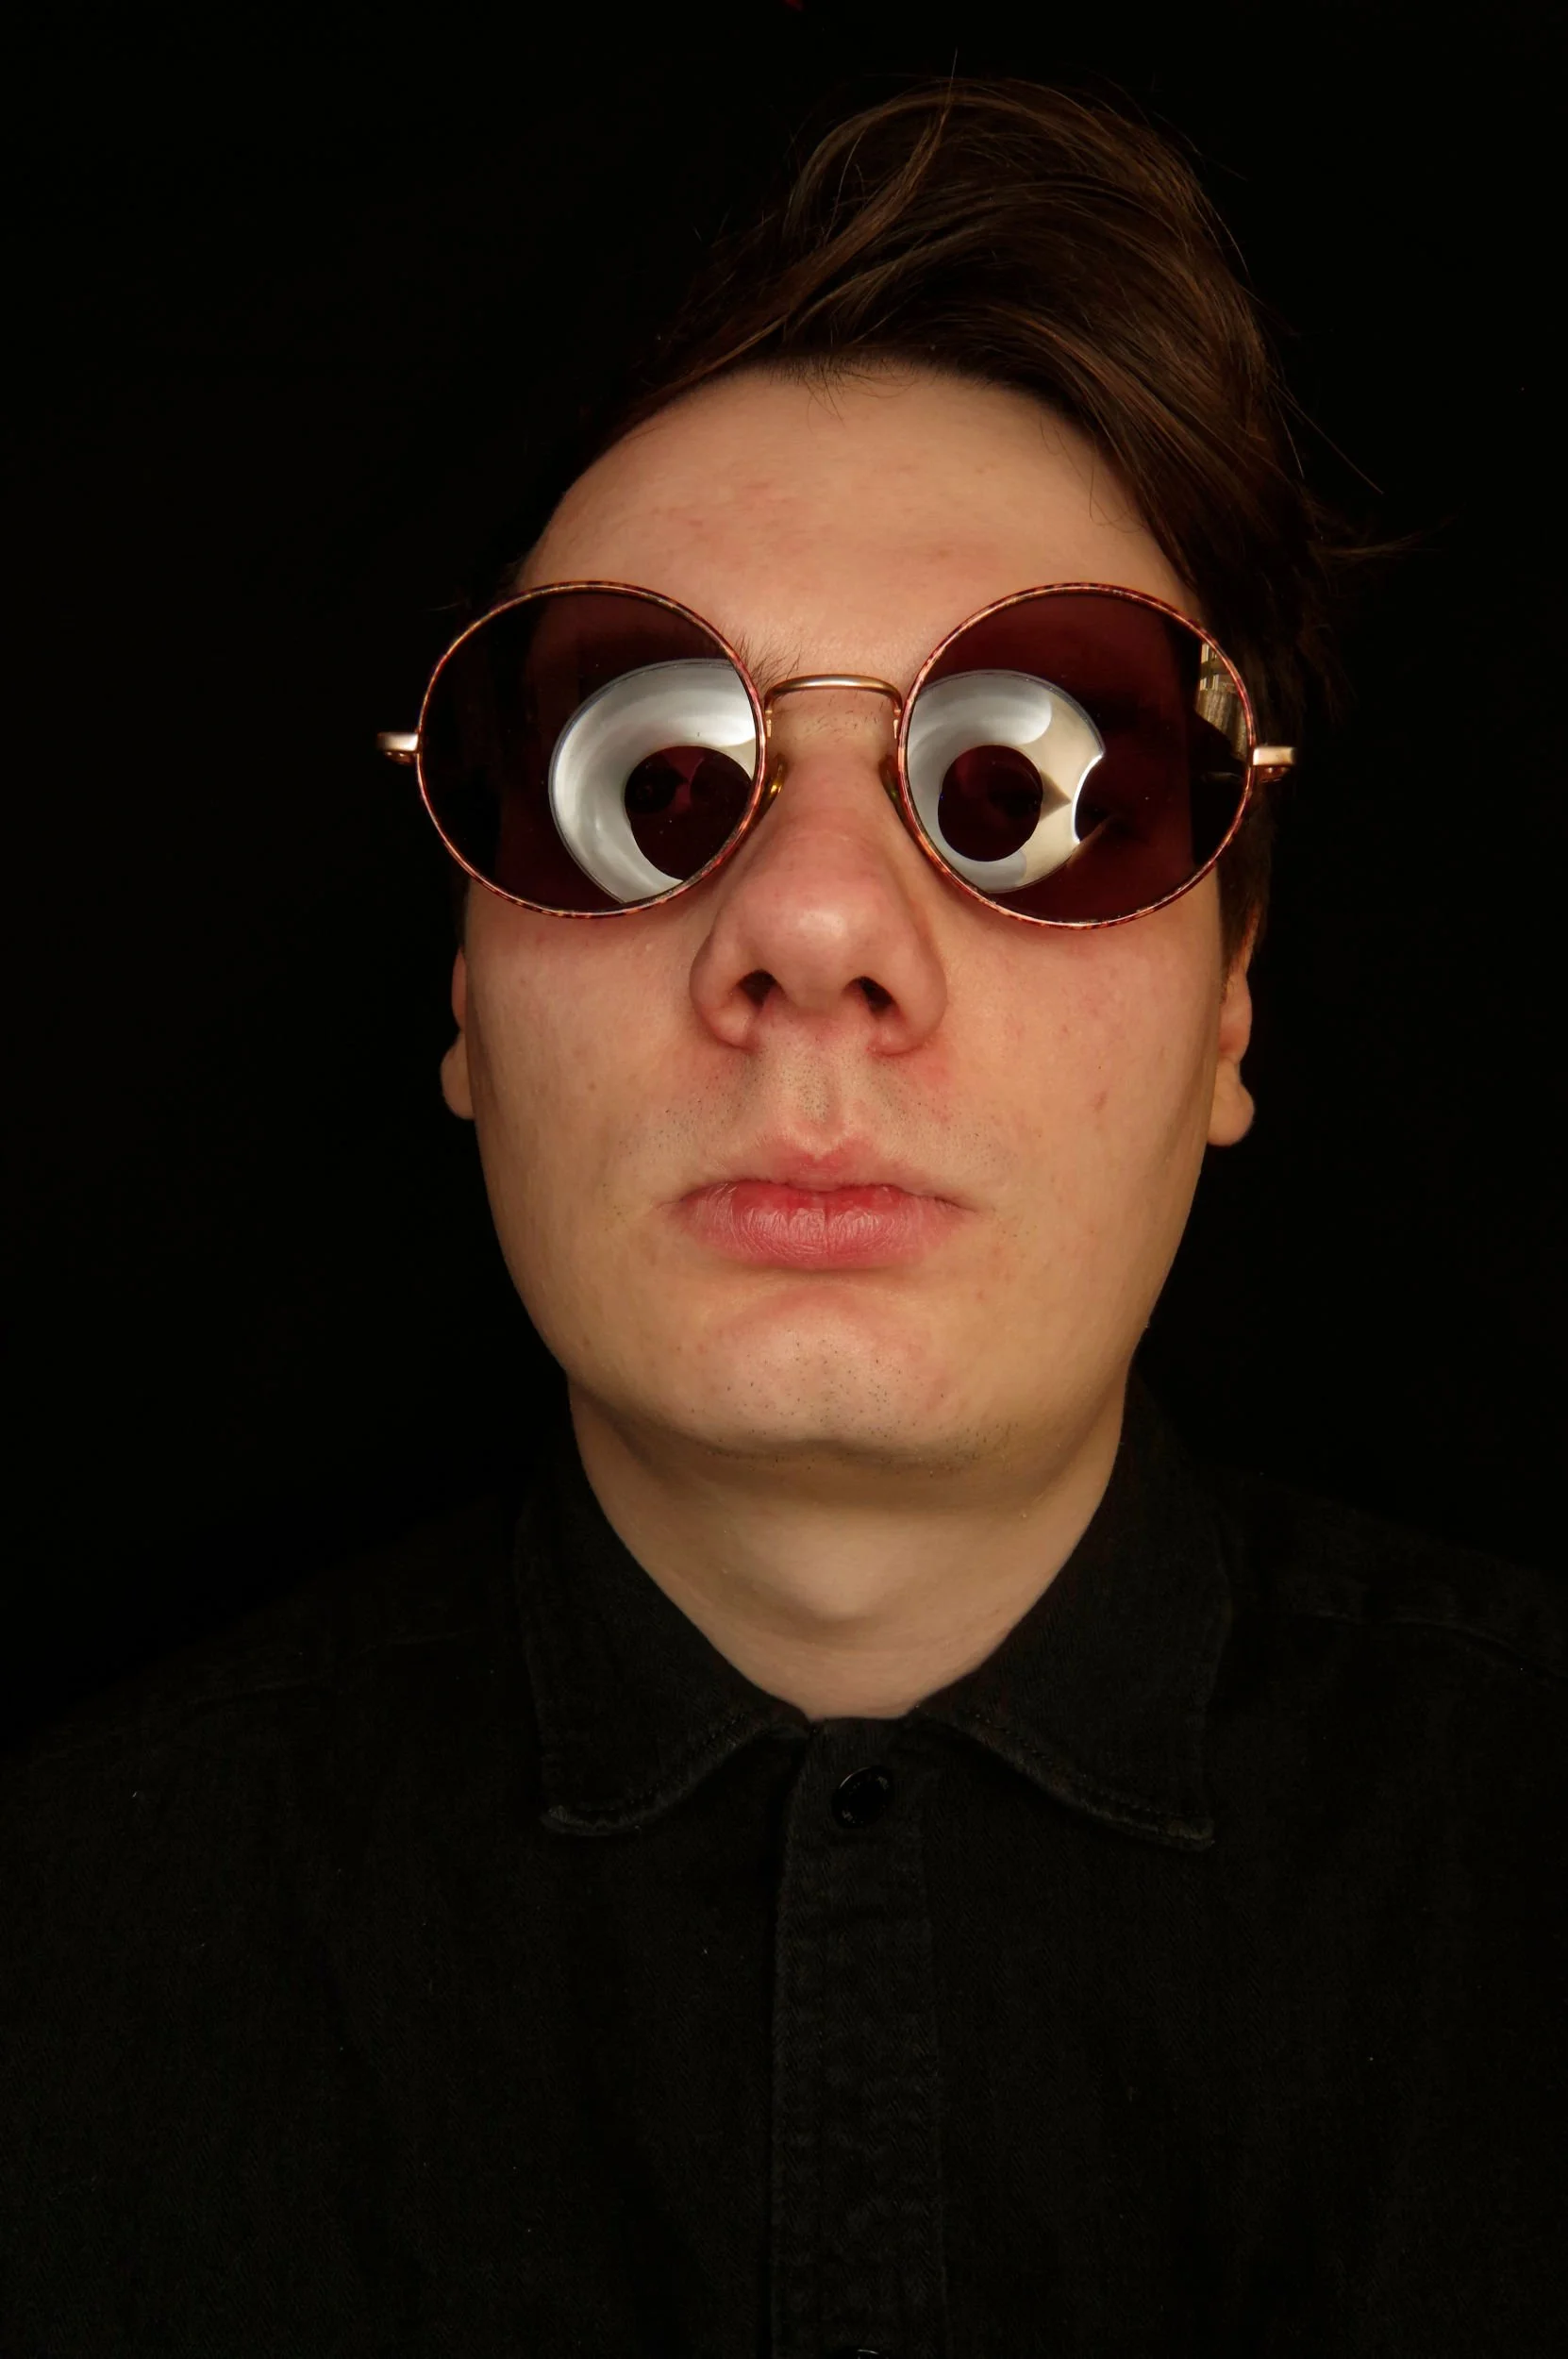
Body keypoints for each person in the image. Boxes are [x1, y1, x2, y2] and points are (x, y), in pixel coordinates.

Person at [3, 78, 1560, 2358]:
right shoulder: (62, 1964)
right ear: (462, 1001)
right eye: (641, 775)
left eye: (1031, 785)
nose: (816, 923)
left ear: (1236, 1007)